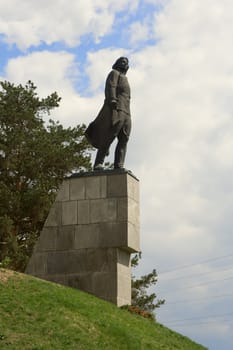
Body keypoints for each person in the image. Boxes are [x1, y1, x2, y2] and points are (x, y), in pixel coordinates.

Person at [85, 57, 131, 170]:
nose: (125, 64)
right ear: (117, 64)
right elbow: (111, 86)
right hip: (117, 108)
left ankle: (119, 165)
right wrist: (112, 99)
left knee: (124, 139)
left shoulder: (125, 78)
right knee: (109, 136)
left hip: (127, 111)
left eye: (126, 63)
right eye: (123, 62)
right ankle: (98, 163)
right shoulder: (114, 73)